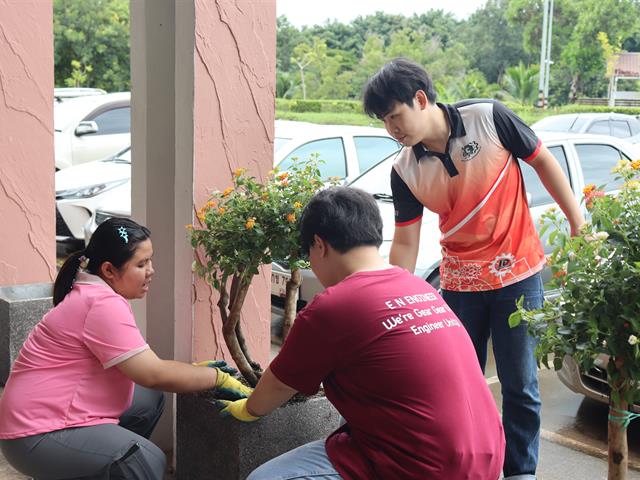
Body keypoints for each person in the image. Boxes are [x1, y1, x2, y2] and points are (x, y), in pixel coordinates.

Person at [362, 58, 585, 480]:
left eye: (395, 115)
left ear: (421, 99)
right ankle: (471, 469)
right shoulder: (404, 169)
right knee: (460, 385)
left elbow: (543, 162)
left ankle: (521, 472)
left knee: (521, 386)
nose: (392, 129)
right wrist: (393, 300)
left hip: (518, 277)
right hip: (460, 285)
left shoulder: (489, 118)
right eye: (384, 121)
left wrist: (578, 221)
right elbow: (406, 240)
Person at [216, 186, 506, 480]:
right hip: (487, 456)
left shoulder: (333, 306)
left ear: (320, 245)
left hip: (423, 466)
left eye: (309, 256)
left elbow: (272, 393)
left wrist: (249, 408)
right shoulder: (418, 286)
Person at [0, 218, 251, 479]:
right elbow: (153, 373)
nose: (151, 271)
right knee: (143, 458)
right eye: (141, 264)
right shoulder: (102, 304)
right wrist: (217, 378)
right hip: (34, 435)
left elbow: (142, 366)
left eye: (150, 261)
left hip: (44, 414)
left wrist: (193, 373)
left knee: (147, 401)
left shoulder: (92, 292)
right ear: (109, 270)